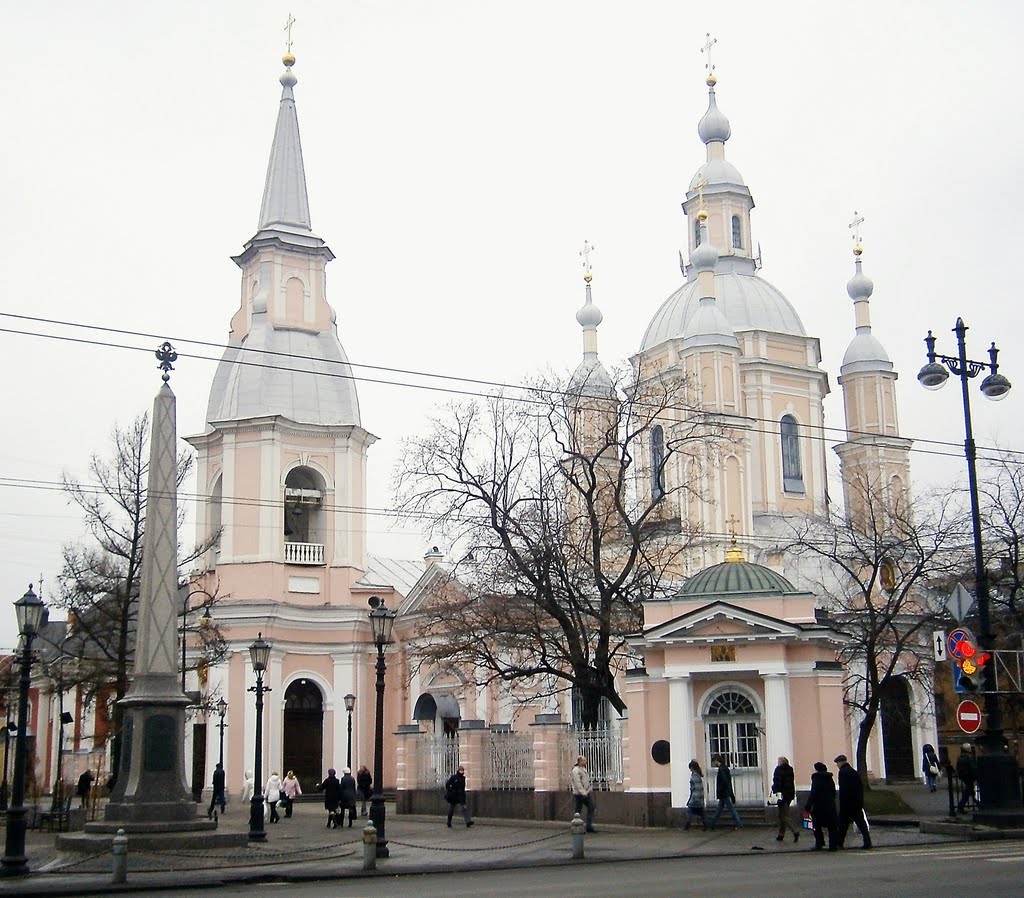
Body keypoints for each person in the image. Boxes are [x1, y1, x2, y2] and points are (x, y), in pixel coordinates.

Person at [835, 754, 871, 849]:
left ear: (841, 762)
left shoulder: (842, 772)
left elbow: (844, 790)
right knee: (861, 824)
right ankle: (867, 842)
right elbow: (859, 788)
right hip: (856, 803)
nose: (837, 765)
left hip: (847, 804)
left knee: (843, 825)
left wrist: (842, 803)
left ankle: (839, 843)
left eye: (837, 763)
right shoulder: (854, 772)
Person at [805, 761, 838, 851]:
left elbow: (814, 793)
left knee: (816, 825)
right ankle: (833, 845)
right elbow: (833, 791)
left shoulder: (816, 778)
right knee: (832, 826)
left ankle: (819, 843)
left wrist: (808, 805)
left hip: (819, 806)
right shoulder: (829, 778)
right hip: (830, 805)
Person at [709, 754, 743, 829]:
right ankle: (712, 824)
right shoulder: (725, 768)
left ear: (716, 761)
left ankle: (739, 824)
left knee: (730, 810)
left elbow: (724, 781)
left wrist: (721, 790)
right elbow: (728, 781)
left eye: (713, 762)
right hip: (725, 792)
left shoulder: (721, 769)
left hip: (723, 793)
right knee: (719, 810)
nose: (713, 764)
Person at [771, 755, 799, 843]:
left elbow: (777, 783)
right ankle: (781, 834)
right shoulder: (790, 769)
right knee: (781, 815)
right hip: (789, 794)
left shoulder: (778, 770)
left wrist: (774, 789)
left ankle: (795, 831)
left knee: (784, 815)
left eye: (779, 761)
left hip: (781, 795)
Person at [570, 756, 595, 833]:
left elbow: (585, 780)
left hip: (585, 792)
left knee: (586, 808)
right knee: (582, 809)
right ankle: (580, 826)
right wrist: (583, 792)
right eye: (584, 760)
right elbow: (578, 783)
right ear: (580, 761)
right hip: (580, 794)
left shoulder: (582, 769)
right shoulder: (576, 770)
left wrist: (588, 789)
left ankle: (587, 826)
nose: (585, 762)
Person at [683, 759, 707, 831]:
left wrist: (692, 798)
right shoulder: (698, 775)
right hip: (700, 797)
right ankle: (706, 825)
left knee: (690, 811)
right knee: (701, 812)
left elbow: (694, 788)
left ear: (692, 768)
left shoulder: (694, 776)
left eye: (690, 768)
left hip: (695, 797)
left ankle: (687, 825)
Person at [956, 743, 977, 814]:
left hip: (963, 776)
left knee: (969, 791)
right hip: (969, 776)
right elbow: (972, 767)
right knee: (969, 791)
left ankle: (978, 804)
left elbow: (958, 767)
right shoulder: (969, 757)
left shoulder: (960, 757)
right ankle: (960, 806)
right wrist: (976, 775)